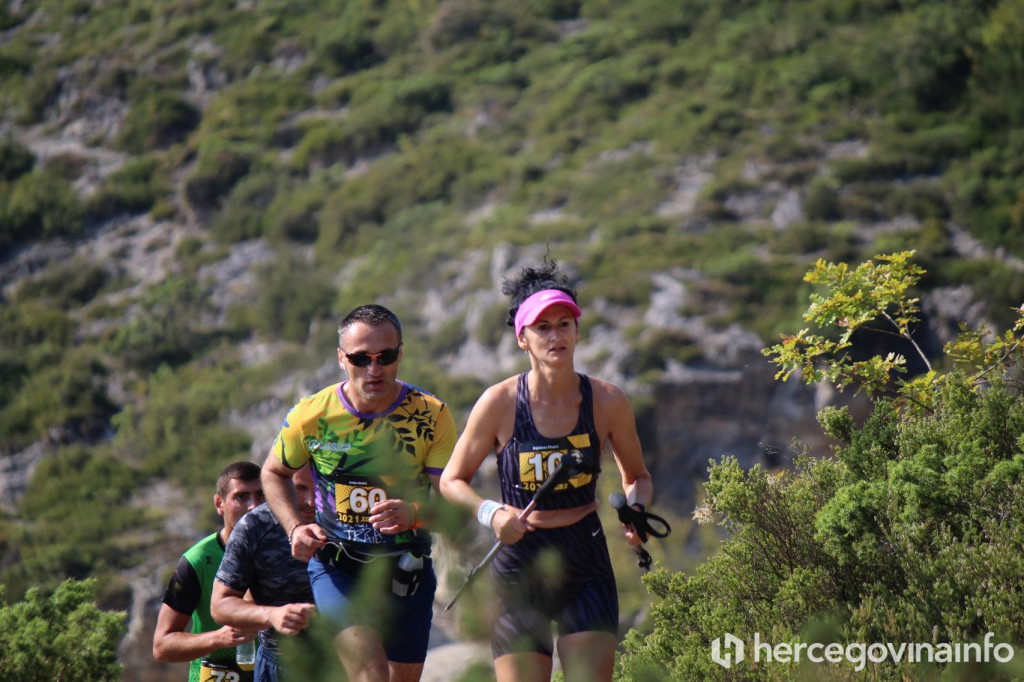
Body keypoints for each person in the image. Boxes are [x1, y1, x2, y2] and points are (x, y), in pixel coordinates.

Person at [439, 260, 654, 682]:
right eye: (542, 328)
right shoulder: (499, 403)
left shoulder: (607, 401)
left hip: (585, 560)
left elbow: (637, 478)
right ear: (522, 338)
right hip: (519, 567)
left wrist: (637, 512)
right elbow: (451, 480)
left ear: (577, 331)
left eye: (563, 324)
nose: (555, 336)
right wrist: (492, 514)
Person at [262, 303, 457, 682]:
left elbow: (453, 504)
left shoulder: (430, 415)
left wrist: (415, 514)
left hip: (407, 572)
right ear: (341, 358)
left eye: (386, 357)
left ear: (401, 354)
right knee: (370, 674)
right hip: (339, 570)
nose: (374, 369)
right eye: (360, 358)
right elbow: (272, 472)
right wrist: (294, 528)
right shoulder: (311, 415)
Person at [153, 460, 265, 682]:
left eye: (261, 495)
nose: (253, 506)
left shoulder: (290, 551)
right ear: (219, 503)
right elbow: (161, 646)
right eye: (241, 497)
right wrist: (220, 638)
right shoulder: (197, 560)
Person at [211, 463, 319, 682]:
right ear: (282, 483)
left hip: (349, 660)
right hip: (280, 665)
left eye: (318, 488)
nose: (310, 501)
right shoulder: (256, 525)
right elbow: (220, 605)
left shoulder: (350, 523)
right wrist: (272, 615)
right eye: (300, 488)